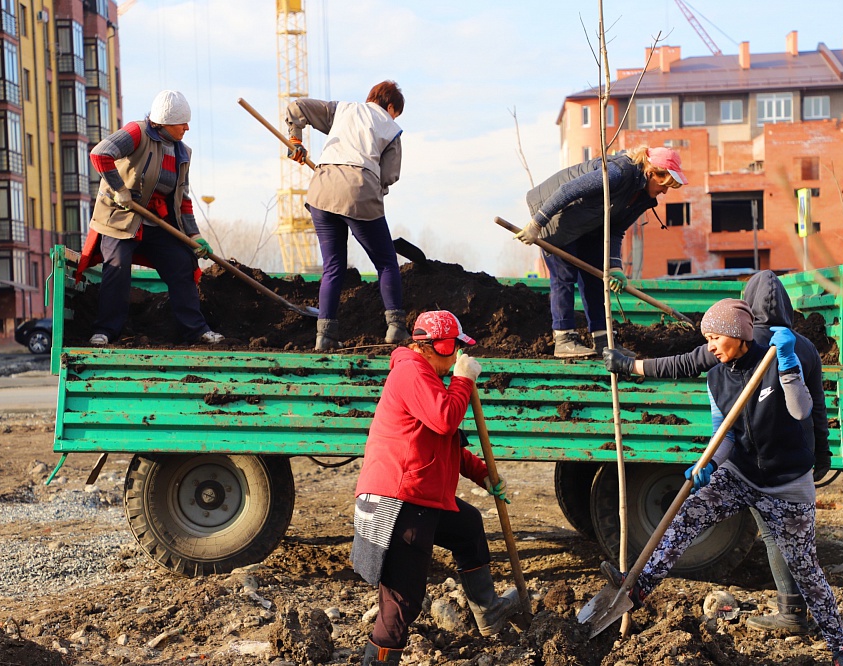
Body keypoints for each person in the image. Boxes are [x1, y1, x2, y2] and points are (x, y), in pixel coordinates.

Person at [600, 298, 843, 666]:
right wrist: (708, 463)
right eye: (706, 338)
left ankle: (842, 646)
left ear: (738, 334)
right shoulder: (716, 375)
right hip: (739, 474)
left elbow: (801, 410)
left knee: (806, 571)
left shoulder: (777, 359)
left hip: (787, 482)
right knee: (687, 515)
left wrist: (787, 365)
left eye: (715, 337)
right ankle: (639, 586)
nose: (709, 347)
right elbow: (724, 433)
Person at [351, 310, 519, 665]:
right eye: (454, 350)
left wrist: (484, 475)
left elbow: (447, 446)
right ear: (435, 347)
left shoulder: (425, 376)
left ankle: (488, 612)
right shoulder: (411, 371)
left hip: (420, 498)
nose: (457, 357)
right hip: (398, 504)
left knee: (468, 526)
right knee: (401, 606)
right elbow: (445, 421)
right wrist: (463, 381)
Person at [516, 146, 687, 358]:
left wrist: (615, 268)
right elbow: (567, 191)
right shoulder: (617, 173)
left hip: (588, 222)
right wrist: (537, 224)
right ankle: (564, 339)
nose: (665, 191)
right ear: (651, 173)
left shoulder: (642, 197)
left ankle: (603, 340)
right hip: (557, 213)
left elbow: (616, 229)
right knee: (564, 276)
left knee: (597, 276)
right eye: (665, 185)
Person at [84, 90, 222, 347]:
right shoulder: (137, 133)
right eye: (182, 122)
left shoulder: (183, 152)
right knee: (117, 265)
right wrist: (120, 189)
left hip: (156, 223)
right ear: (164, 122)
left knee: (182, 263)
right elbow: (100, 154)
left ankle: (196, 331)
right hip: (120, 218)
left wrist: (195, 236)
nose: (187, 128)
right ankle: (105, 330)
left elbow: (183, 198)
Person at [285, 81, 407, 351]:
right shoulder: (391, 126)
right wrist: (376, 190)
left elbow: (298, 107)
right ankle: (396, 328)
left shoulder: (341, 110)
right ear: (390, 107)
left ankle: (325, 335)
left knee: (333, 266)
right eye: (395, 112)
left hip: (321, 189)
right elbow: (390, 175)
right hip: (359, 191)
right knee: (386, 263)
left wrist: (295, 139)